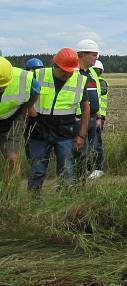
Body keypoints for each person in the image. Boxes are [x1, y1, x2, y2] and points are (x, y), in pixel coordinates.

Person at [27, 48, 90, 190]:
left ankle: (65, 202)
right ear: (55, 65)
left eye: (71, 71)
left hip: (66, 133)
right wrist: (30, 110)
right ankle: (32, 200)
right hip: (39, 131)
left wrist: (81, 135)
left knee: (67, 171)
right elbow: (24, 97)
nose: (68, 74)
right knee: (37, 170)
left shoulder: (80, 80)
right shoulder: (38, 74)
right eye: (64, 71)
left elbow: (86, 109)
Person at [0, 57, 40, 174]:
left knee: (12, 157)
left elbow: (35, 93)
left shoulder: (26, 79)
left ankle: (11, 188)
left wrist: (27, 108)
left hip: (13, 118)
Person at [75, 39, 102, 181]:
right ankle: (76, 182)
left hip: (92, 119)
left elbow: (96, 95)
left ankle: (81, 181)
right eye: (93, 54)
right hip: (79, 119)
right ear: (82, 54)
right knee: (78, 152)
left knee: (87, 152)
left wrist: (98, 116)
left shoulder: (91, 72)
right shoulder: (73, 72)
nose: (96, 58)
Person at [89, 59, 109, 180]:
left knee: (96, 144)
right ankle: (88, 167)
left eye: (97, 71)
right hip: (91, 115)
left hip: (98, 117)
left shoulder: (101, 83)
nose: (96, 73)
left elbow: (102, 91)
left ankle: (98, 168)